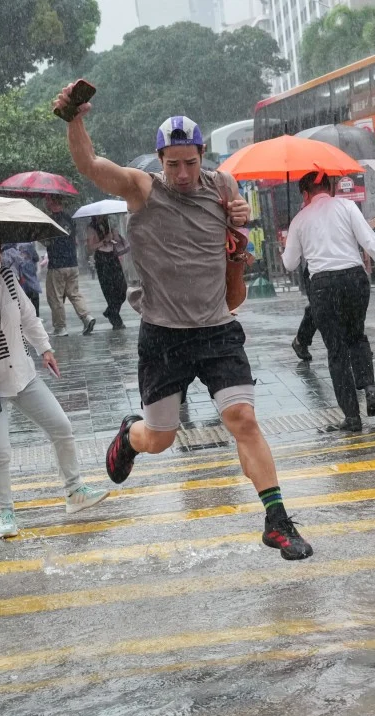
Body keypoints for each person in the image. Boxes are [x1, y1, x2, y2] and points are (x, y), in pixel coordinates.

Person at [58, 84, 313, 560]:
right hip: (164, 336)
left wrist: (238, 218)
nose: (181, 172)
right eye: (172, 163)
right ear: (160, 160)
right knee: (160, 438)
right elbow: (91, 166)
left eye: (189, 162)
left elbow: (237, 234)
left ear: (202, 156)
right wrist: (74, 119)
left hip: (217, 328)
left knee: (243, 419)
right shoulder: (142, 188)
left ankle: (277, 521)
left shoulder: (224, 187)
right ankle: (129, 435)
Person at [0, 234, 111, 538]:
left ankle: (74, 492)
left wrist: (45, 349)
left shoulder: (6, 278)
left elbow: (28, 316)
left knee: (61, 426)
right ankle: (4, 513)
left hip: (22, 373)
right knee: (0, 450)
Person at [283, 172, 375, 433]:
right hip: (354, 279)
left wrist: (288, 245)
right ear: (330, 188)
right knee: (356, 337)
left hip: (323, 286)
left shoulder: (300, 220)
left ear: (305, 194)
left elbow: (290, 263)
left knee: (337, 351)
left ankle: (352, 417)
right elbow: (370, 242)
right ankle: (370, 387)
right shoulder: (347, 206)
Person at [41, 196, 95, 337]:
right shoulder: (70, 219)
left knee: (55, 297)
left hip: (57, 265)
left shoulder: (50, 221)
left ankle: (60, 327)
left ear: (53, 203)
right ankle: (86, 317)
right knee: (74, 293)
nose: (46, 203)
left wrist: (42, 238)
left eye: (48, 201)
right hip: (72, 263)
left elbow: (47, 242)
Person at [86, 216, 128, 329]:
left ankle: (110, 311)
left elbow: (117, 242)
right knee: (109, 291)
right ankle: (116, 321)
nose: (102, 217)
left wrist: (115, 235)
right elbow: (90, 247)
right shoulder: (91, 228)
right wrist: (104, 240)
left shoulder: (109, 224)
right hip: (102, 259)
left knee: (122, 288)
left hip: (112, 257)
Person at [2, 241, 42, 317]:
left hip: (19, 282)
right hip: (31, 280)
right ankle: (36, 317)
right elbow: (36, 258)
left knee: (22, 304)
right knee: (34, 302)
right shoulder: (27, 245)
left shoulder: (5, 249)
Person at [291, 263, 317, 361]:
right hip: (316, 269)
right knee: (317, 308)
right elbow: (290, 262)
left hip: (345, 266)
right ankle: (301, 340)